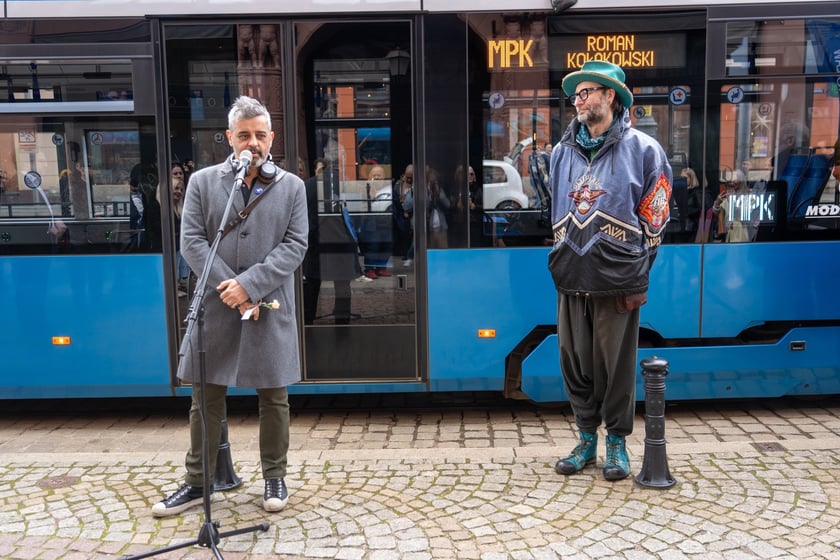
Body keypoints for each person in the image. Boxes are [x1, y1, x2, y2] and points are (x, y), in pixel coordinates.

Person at [152, 95, 308, 517]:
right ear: (229, 138)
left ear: (271, 137)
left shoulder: (292, 187)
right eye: (244, 135)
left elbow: (295, 246)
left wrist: (250, 286)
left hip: (269, 304)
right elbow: (192, 243)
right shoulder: (203, 182)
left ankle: (274, 476)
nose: (252, 143)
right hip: (217, 306)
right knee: (205, 398)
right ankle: (197, 481)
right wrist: (230, 287)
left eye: (260, 135)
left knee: (273, 398)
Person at [548, 60, 672, 481]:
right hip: (571, 275)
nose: (579, 101)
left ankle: (616, 443)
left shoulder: (645, 150)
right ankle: (586, 439)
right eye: (576, 95)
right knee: (574, 362)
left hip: (618, 278)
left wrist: (637, 273)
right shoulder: (560, 153)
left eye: (586, 93)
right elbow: (556, 213)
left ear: (611, 97)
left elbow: (656, 219)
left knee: (615, 367)